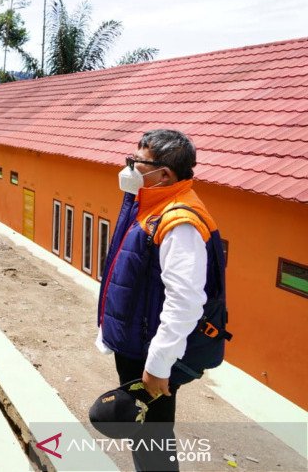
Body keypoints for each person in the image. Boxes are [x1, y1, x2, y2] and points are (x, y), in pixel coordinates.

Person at [96, 129, 227, 471]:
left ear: (164, 173)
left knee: (151, 437)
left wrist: (157, 367)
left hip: (148, 351)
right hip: (136, 342)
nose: (129, 167)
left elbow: (185, 302)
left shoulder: (179, 222)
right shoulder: (151, 205)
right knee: (145, 433)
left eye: (135, 161)